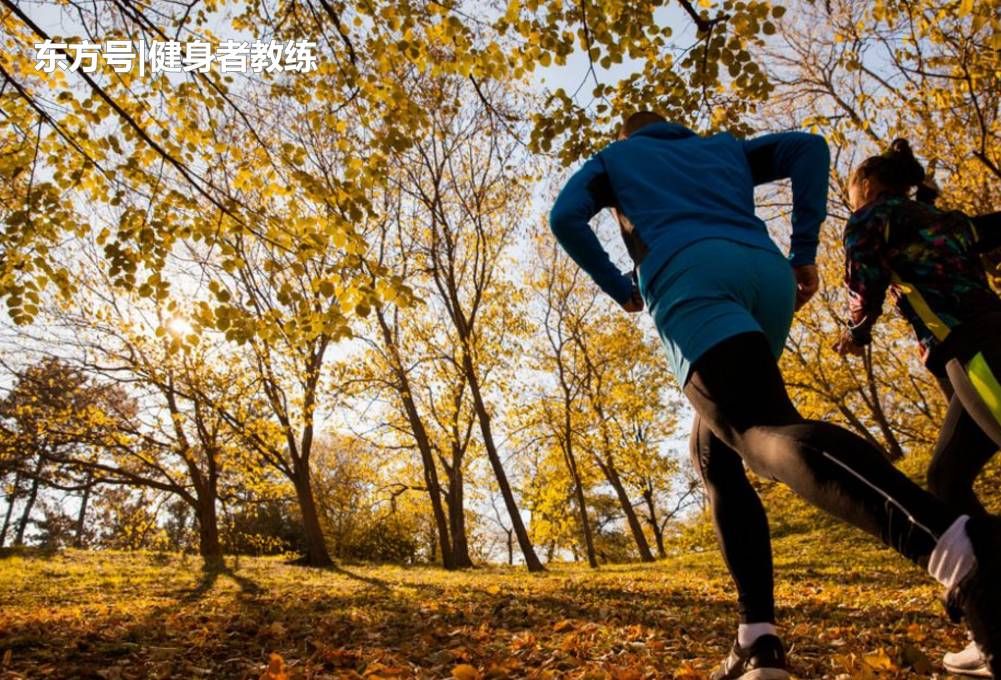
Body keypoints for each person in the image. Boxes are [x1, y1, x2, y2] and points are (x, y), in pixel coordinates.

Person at [548, 111, 1001, 680]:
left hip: (691, 277)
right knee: (715, 455)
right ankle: (757, 638)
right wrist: (803, 248)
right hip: (765, 278)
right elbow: (807, 149)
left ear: (625, 135)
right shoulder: (720, 148)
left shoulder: (618, 161)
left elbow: (565, 217)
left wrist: (620, 287)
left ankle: (956, 544)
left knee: (760, 430)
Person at [835, 138, 1001, 677]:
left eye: (851, 194)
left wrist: (856, 333)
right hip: (970, 352)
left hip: (975, 347)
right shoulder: (940, 218)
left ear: (866, 189)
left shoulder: (871, 218)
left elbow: (865, 282)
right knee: (946, 479)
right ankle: (995, 612)